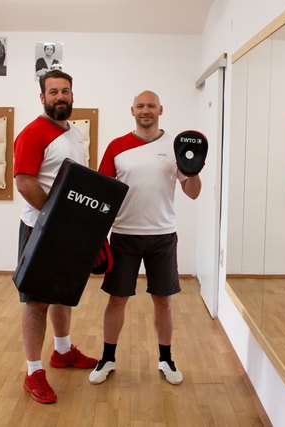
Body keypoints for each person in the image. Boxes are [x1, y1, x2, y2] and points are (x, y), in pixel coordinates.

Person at [89, 90, 202, 386]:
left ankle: (166, 359)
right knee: (117, 300)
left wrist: (194, 171)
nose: (145, 110)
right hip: (124, 235)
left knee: (163, 302)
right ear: (132, 110)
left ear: (160, 109)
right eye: (140, 106)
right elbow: (102, 190)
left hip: (162, 236)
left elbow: (192, 192)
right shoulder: (117, 146)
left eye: (151, 105)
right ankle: (107, 357)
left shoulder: (175, 147)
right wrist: (96, 234)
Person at [13, 70, 98, 404]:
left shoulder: (74, 133)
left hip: (67, 229)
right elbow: (25, 182)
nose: (60, 97)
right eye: (53, 92)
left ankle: (62, 352)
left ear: (72, 95)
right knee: (36, 302)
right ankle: (33, 372)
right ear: (42, 97)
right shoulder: (32, 134)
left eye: (65, 91)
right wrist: (56, 219)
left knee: (63, 294)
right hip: (40, 228)